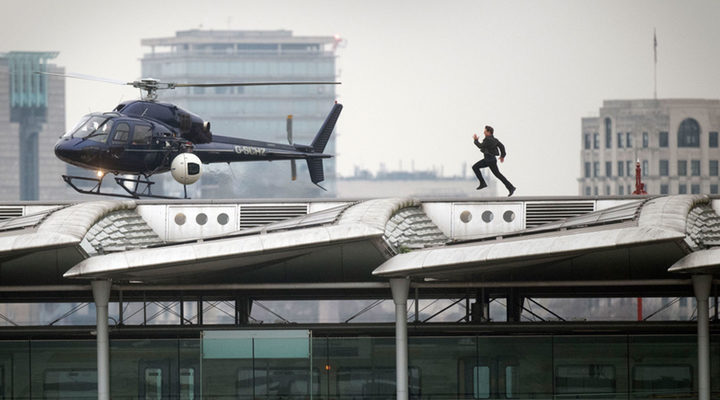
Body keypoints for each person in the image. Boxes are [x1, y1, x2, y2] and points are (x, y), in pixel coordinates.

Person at [472, 125, 516, 197]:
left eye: (485, 131)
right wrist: (502, 156)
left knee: (475, 167)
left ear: (489, 132)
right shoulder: (495, 140)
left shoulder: (488, 139)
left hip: (489, 160)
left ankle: (483, 183)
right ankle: (511, 187)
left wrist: (475, 140)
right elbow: (502, 146)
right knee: (498, 174)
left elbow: (480, 146)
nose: (484, 132)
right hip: (492, 160)